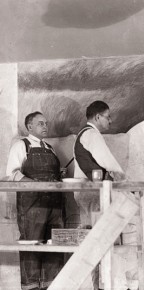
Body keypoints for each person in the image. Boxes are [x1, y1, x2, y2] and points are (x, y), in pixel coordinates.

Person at [6, 111, 65, 290]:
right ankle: (30, 287)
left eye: (46, 123)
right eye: (41, 123)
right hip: (32, 204)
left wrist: (59, 174)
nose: (45, 126)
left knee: (55, 245)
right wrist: (35, 184)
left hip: (55, 204)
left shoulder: (50, 148)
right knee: (31, 244)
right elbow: (13, 174)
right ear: (29, 126)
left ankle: (53, 286)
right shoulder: (21, 145)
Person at [73, 100, 126, 290]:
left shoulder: (85, 135)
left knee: (95, 241)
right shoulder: (91, 135)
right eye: (107, 116)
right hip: (93, 195)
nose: (110, 121)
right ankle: (103, 285)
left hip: (88, 194)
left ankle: (98, 285)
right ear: (97, 117)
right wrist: (123, 179)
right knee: (101, 240)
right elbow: (108, 162)